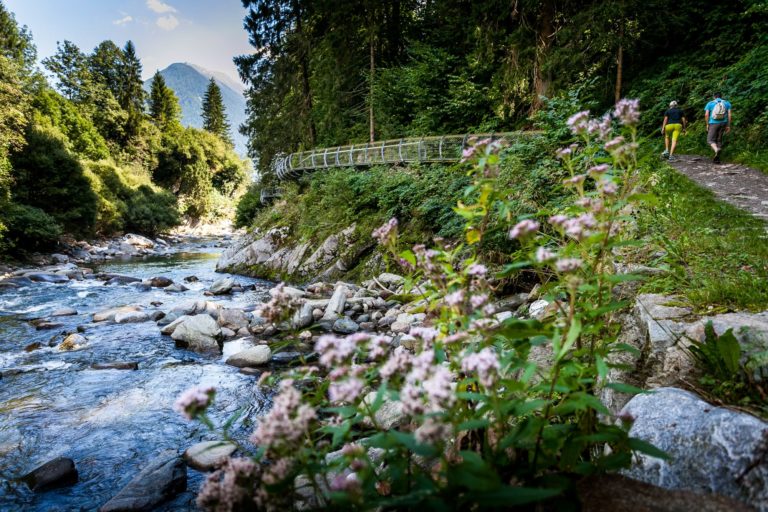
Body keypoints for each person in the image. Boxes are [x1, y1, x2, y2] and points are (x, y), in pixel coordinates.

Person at [704, 92, 732, 163]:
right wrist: (728, 125)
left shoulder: (710, 103)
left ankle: (716, 150)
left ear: (714, 97)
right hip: (723, 123)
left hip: (713, 123)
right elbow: (729, 115)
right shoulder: (727, 103)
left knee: (710, 140)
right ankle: (717, 157)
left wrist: (707, 124)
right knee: (719, 140)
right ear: (721, 96)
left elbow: (706, 115)